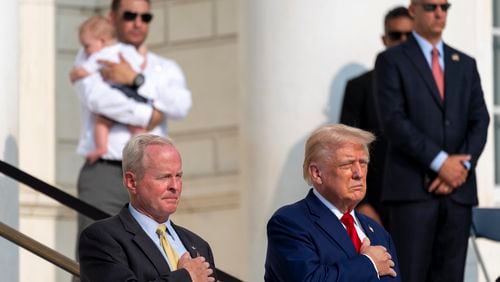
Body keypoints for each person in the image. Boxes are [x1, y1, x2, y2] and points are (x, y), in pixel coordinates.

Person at [374, 1, 490, 281]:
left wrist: (461, 167)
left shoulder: (465, 63)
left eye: (444, 6)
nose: (439, 13)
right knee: (411, 275)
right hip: (413, 192)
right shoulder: (391, 60)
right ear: (413, 9)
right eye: (430, 6)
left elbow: (480, 121)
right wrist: (440, 163)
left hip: (457, 192)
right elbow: (394, 121)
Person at [73, 0, 192, 238]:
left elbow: (181, 105)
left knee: (149, 251)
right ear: (112, 17)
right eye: (130, 15)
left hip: (151, 173)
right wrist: (151, 114)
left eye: (144, 17)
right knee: (97, 252)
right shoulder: (94, 52)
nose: (138, 23)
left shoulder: (164, 67)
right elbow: (98, 98)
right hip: (106, 170)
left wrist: (135, 80)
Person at [265, 124, 400, 281]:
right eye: (347, 164)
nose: (359, 173)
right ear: (317, 173)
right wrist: (369, 264)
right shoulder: (290, 223)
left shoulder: (379, 233)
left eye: (363, 163)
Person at [79, 134, 216, 282]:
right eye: (164, 177)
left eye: (178, 176)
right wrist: (186, 277)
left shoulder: (199, 245)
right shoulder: (102, 238)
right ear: (131, 181)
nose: (175, 186)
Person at [340, 6, 413, 226]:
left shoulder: (433, 85)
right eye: (395, 35)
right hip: (376, 203)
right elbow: (347, 149)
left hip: (422, 203)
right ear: (384, 39)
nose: (402, 40)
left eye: (409, 35)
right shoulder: (359, 87)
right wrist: (362, 204)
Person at [71, 15, 148, 164]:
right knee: (137, 128)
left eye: (87, 46)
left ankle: (101, 147)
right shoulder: (125, 50)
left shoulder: (99, 56)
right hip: (131, 94)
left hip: (119, 93)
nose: (86, 51)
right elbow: (140, 65)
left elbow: (84, 71)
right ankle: (139, 153)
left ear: (102, 41)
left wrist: (75, 74)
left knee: (101, 124)